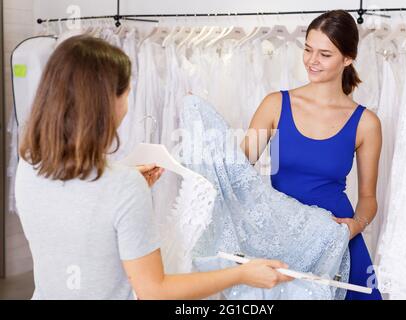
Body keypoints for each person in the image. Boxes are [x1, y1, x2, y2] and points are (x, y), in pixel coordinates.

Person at [15, 35, 292, 300]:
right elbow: (154, 290)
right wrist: (241, 274)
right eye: (127, 94)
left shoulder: (29, 165)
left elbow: (75, 217)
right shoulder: (123, 186)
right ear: (108, 102)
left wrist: (122, 188)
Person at [241, 10, 382, 300]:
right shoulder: (274, 105)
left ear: (348, 58)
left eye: (325, 54)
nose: (312, 61)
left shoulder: (366, 123)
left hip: (337, 240)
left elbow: (368, 198)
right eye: (308, 49)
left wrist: (355, 226)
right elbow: (237, 171)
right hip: (282, 240)